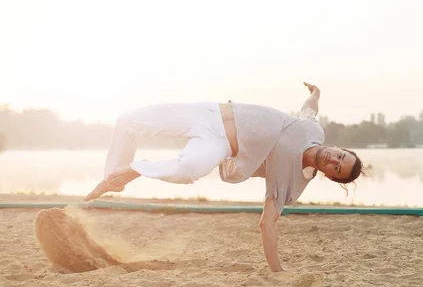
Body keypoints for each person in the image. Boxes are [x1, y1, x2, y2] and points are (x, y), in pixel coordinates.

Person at [84, 82, 364, 271]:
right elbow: (309, 109)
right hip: (210, 112)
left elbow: (267, 224)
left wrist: (277, 270)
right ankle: (113, 178)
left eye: (337, 168)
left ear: (329, 176)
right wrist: (317, 93)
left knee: (188, 171)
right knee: (127, 121)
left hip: (218, 144)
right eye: (340, 156)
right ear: (339, 149)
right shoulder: (313, 130)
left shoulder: (293, 181)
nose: (334, 160)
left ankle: (135, 169)